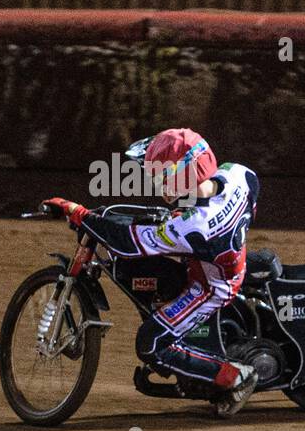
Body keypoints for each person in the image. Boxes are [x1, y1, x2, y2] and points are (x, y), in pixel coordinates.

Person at [43, 128, 260, 416]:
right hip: (216, 257)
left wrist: (77, 213)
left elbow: (129, 242)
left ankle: (235, 377)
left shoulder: (195, 226)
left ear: (183, 174)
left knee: (151, 343)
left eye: (161, 175)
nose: (156, 182)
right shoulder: (238, 175)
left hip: (212, 286)